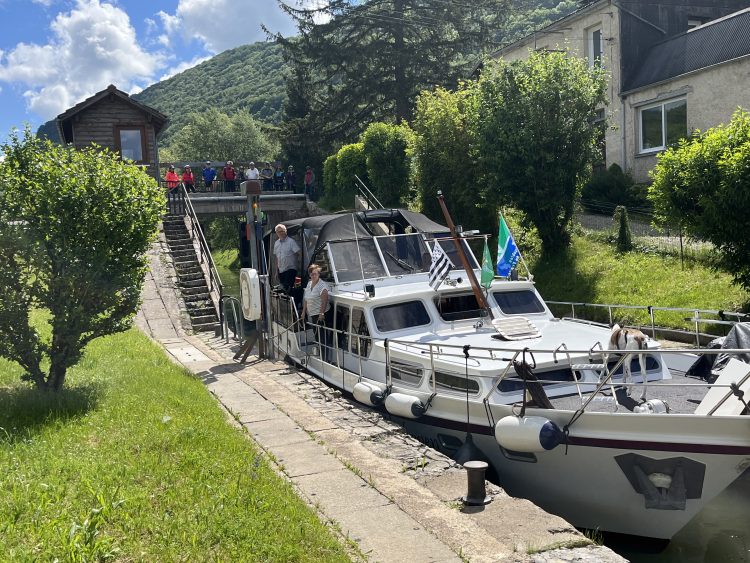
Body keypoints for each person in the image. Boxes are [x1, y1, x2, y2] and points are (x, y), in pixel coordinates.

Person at [300, 263, 332, 361]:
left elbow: (324, 300)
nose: (313, 275)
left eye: (315, 274)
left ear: (319, 274)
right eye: (312, 273)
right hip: (312, 314)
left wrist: (321, 314)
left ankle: (325, 359)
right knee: (317, 336)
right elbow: (306, 299)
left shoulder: (322, 286)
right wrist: (303, 312)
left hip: (322, 314)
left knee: (322, 337)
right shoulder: (309, 283)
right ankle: (322, 356)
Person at [273, 223, 301, 292]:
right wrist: (276, 271)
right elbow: (277, 258)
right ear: (277, 233)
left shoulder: (291, 242)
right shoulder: (276, 243)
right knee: (283, 290)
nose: (282, 233)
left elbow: (299, 253)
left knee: (287, 287)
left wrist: (300, 265)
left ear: (286, 231)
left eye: (283, 231)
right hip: (281, 270)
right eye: (279, 232)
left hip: (290, 268)